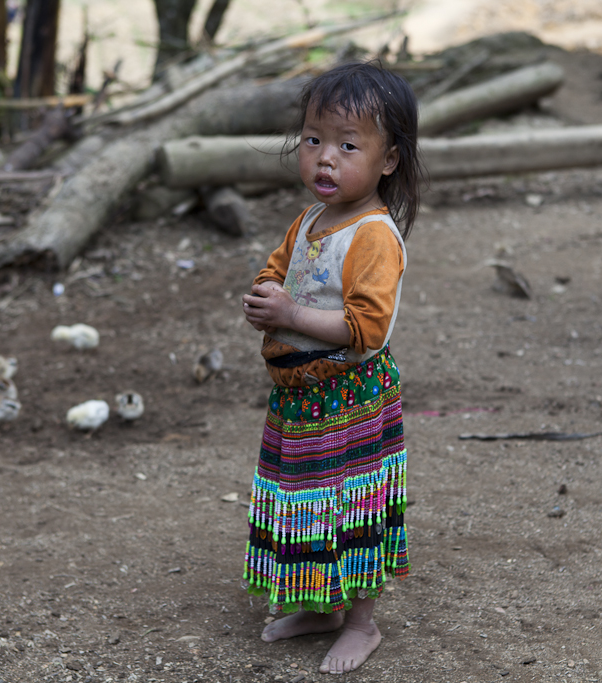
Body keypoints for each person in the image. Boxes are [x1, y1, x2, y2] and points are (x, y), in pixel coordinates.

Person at [241, 61, 423, 675]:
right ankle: (320, 606)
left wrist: (289, 310)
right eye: (314, 139)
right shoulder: (313, 220)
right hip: (300, 396)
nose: (325, 159)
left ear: (388, 160)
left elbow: (365, 327)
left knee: (352, 505)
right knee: (306, 502)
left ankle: (362, 624)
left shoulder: (373, 235)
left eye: (348, 146)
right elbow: (280, 265)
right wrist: (269, 294)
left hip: (351, 396)